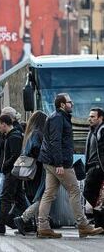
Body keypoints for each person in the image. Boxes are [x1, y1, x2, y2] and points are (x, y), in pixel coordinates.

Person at [37, 94, 103, 238]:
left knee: (49, 193)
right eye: (69, 102)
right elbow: (55, 142)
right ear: (62, 105)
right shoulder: (58, 118)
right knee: (74, 191)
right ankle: (83, 225)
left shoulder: (59, 117)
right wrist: (59, 163)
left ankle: (43, 227)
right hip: (59, 163)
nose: (72, 104)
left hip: (52, 162)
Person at [0, 114, 26, 235]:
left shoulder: (14, 137)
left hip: (11, 173)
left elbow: (15, 155)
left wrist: (5, 165)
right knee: (20, 199)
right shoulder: (10, 136)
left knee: (5, 199)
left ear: (4, 124)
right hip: (12, 172)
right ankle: (28, 223)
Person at [13, 110, 48, 236]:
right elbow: (36, 149)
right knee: (42, 197)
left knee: (40, 197)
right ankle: (26, 220)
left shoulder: (30, 133)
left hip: (30, 171)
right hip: (37, 170)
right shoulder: (38, 133)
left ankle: (40, 225)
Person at [83, 108, 104, 229]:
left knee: (90, 193)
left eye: (93, 117)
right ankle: (99, 224)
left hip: (98, 167)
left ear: (101, 118)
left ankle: (99, 223)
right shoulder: (93, 130)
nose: (89, 119)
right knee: (97, 196)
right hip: (92, 167)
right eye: (89, 116)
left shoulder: (102, 130)